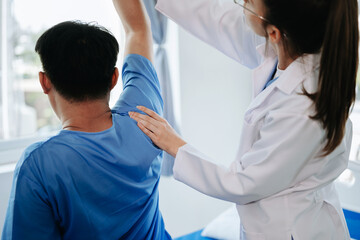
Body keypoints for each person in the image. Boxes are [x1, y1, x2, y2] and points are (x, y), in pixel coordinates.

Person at [129, 0, 359, 239]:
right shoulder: (292, 41)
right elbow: (219, 19)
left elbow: (242, 183)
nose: (243, 4)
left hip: (288, 229)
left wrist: (174, 144)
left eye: (248, 3)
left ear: (274, 32)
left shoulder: (302, 109)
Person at [1, 0, 172, 239]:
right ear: (114, 78)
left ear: (44, 82)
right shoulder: (144, 118)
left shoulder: (40, 164)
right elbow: (138, 29)